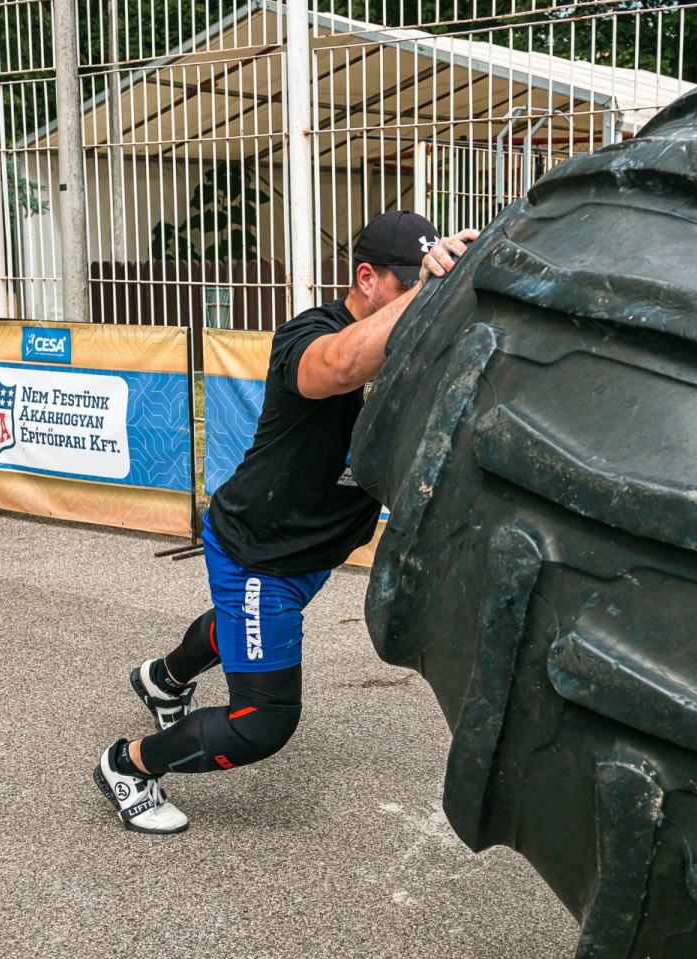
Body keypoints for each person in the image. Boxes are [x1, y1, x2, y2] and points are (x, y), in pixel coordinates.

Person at [93, 211, 478, 834]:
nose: (424, 299)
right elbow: (340, 368)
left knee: (241, 624)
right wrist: (428, 296)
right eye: (411, 285)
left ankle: (163, 680)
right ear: (368, 279)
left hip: (311, 551)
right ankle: (128, 766)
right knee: (263, 721)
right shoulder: (309, 333)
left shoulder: (416, 351)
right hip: (260, 549)